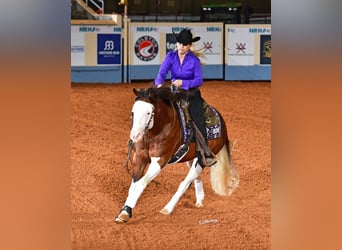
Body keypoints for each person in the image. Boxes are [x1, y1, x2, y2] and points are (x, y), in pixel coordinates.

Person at [154, 28, 216, 167]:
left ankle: (204, 153)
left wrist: (184, 83)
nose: (182, 46)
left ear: (189, 46)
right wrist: (159, 86)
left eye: (185, 44)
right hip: (175, 92)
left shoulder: (194, 60)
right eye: (180, 43)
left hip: (192, 93)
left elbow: (199, 80)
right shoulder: (170, 56)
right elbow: (162, 73)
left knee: (197, 118)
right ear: (177, 43)